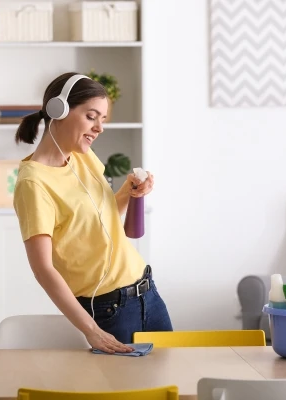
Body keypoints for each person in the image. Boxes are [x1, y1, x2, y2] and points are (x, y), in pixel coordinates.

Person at [12, 72, 173, 354]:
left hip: (148, 293)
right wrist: (92, 330)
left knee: (172, 389)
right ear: (58, 110)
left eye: (103, 119)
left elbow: (104, 216)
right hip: (109, 310)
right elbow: (43, 270)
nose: (99, 127)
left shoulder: (81, 155)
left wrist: (129, 191)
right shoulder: (33, 184)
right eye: (91, 116)